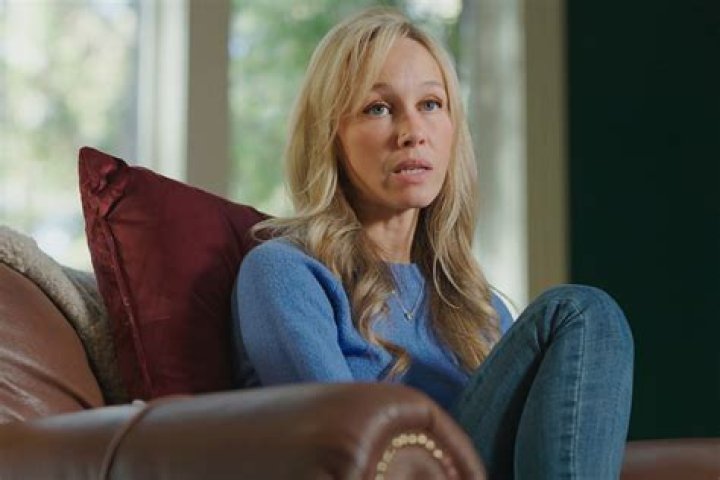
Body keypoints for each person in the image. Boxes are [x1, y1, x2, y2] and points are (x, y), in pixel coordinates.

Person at [231, 7, 633, 479]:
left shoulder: (477, 307)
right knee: (576, 312)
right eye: (378, 108)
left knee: (588, 317)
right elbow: (335, 447)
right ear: (330, 137)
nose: (412, 133)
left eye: (430, 104)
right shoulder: (285, 272)